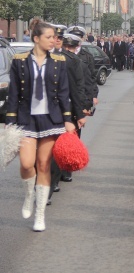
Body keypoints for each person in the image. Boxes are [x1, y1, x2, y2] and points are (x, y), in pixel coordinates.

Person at [5, 19, 76, 231]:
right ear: (36, 39)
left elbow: (64, 92)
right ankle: (29, 195)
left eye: (55, 37)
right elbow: (13, 93)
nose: (54, 41)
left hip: (50, 119)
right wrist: (10, 121)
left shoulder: (59, 61)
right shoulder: (19, 61)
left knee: (44, 165)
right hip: (26, 118)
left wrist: (68, 119)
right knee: (27, 164)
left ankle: (40, 214)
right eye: (49, 37)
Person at [49, 33, 88, 202]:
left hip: (50, 109)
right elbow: (78, 89)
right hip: (68, 108)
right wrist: (80, 114)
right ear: (75, 46)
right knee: (62, 145)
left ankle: (51, 183)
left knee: (50, 145)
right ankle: (59, 178)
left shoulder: (52, 58)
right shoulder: (75, 61)